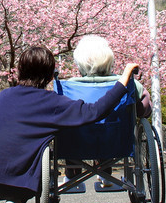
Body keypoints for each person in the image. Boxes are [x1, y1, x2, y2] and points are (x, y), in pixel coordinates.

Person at [0, 45, 139, 203]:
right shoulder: (53, 103)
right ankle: (15, 201)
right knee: (34, 162)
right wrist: (124, 80)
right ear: (51, 75)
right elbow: (95, 111)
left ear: (20, 70)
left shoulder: (2, 96)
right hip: (19, 184)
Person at [64, 35, 152, 189]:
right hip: (116, 141)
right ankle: (106, 174)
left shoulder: (68, 87)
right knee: (109, 128)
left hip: (77, 142)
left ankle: (71, 176)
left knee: (71, 129)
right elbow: (144, 111)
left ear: (79, 63)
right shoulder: (129, 84)